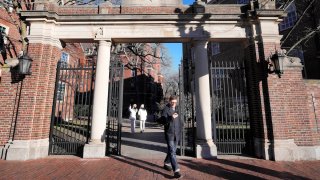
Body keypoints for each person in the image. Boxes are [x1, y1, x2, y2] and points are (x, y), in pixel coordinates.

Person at [161, 96, 182, 178]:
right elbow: (163, 121)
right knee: (173, 152)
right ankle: (176, 171)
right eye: (172, 102)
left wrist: (181, 128)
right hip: (169, 134)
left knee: (172, 151)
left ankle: (166, 163)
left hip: (177, 134)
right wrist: (170, 117)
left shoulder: (177, 109)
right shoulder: (166, 109)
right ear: (169, 101)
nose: (174, 104)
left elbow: (180, 121)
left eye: (175, 102)